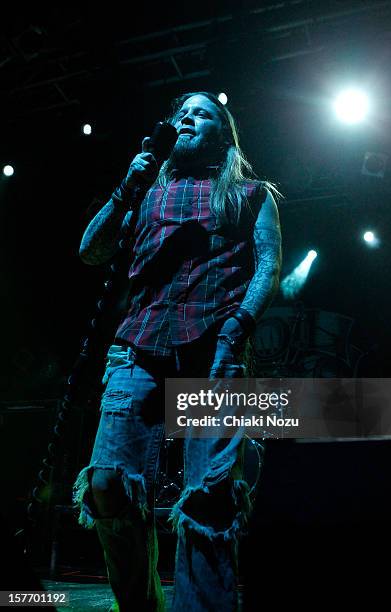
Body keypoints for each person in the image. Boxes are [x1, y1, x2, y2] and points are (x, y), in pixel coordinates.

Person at [73, 91, 282, 612]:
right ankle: (142, 605)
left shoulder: (252, 194)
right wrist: (126, 187)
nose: (188, 118)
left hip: (216, 348)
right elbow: (90, 252)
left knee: (210, 496)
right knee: (106, 483)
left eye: (202, 113)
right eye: (181, 113)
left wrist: (236, 329)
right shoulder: (146, 193)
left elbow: (269, 266)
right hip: (138, 347)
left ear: (223, 132)